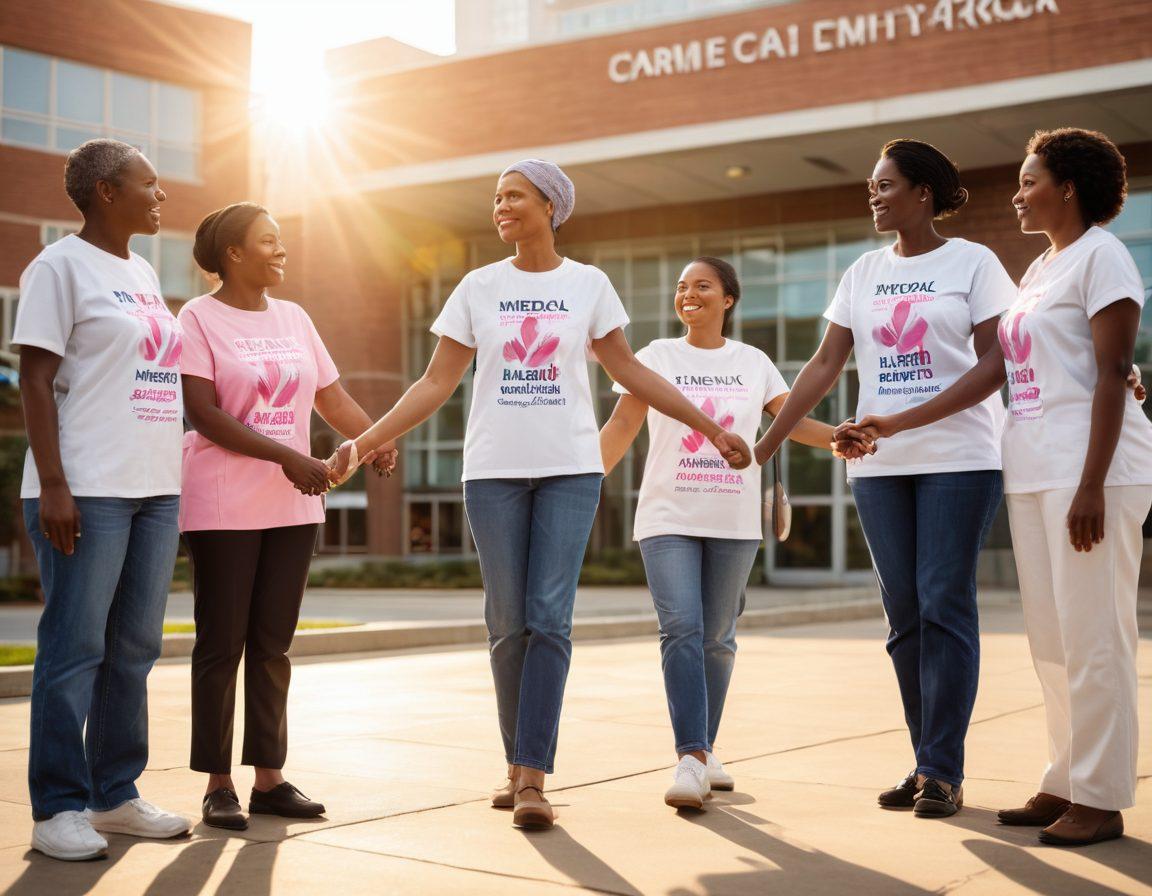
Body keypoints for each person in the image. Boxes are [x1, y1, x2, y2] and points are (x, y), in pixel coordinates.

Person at [327, 159, 751, 829]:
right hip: (492, 471)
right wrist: (360, 443)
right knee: (507, 624)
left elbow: (628, 370)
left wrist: (711, 426)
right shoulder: (478, 286)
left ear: (550, 206)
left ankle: (532, 778)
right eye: (496, 198)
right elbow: (435, 383)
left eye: (514, 196)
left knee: (549, 619)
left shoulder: (589, 284)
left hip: (569, 471)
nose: (501, 207)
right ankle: (515, 763)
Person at [838, 129, 1152, 846]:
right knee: (1053, 640)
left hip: (1090, 473)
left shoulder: (1102, 255)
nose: (1016, 195)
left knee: (1095, 635)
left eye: (1029, 181)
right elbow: (1037, 361)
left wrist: (1093, 484)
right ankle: (1065, 779)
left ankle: (1101, 797)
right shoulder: (1042, 266)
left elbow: (1111, 371)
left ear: (1068, 188)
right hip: (1036, 468)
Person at [753, 140, 1019, 819]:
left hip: (959, 459)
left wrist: (900, 421)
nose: (873, 196)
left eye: (885, 185)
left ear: (923, 192)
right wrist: (766, 445)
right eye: (871, 187)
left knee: (942, 604)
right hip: (879, 467)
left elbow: (996, 365)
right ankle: (926, 761)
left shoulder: (973, 262)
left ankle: (943, 770)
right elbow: (823, 365)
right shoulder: (864, 272)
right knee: (904, 617)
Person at [179, 202, 395, 831]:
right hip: (223, 504)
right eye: (268, 241)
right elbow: (203, 414)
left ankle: (269, 779)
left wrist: (375, 438)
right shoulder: (198, 317)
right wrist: (287, 456)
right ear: (233, 254)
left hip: (293, 505)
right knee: (221, 644)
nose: (281, 251)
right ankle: (218, 784)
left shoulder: (294, 317)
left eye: (281, 241)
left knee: (272, 646)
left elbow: (329, 395)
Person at [599, 256, 836, 810]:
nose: (689, 294)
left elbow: (791, 422)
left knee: (718, 639)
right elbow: (623, 423)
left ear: (728, 299)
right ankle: (690, 757)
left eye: (702, 286)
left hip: (733, 520)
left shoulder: (753, 362)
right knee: (681, 627)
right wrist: (584, 479)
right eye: (682, 286)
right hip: (667, 515)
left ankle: (703, 749)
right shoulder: (655, 356)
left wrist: (841, 437)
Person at [14, 139, 190, 860]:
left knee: (134, 649)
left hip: (154, 488)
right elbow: (33, 378)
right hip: (86, 488)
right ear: (107, 191)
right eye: (149, 183)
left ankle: (113, 795)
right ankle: (57, 808)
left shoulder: (142, 271)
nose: (161, 194)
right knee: (74, 648)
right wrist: (54, 484)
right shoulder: (58, 266)